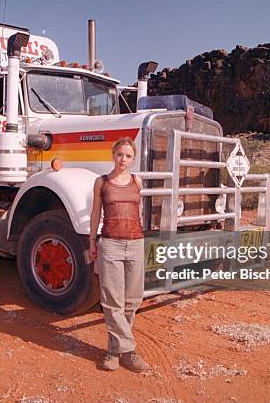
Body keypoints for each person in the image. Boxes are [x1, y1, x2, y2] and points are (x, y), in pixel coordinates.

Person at [89, 137, 149, 372]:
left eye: (128, 156)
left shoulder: (138, 181)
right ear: (113, 154)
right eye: (120, 154)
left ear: (133, 159)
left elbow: (139, 212)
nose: (123, 159)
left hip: (135, 243)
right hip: (111, 244)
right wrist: (92, 240)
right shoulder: (101, 182)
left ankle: (115, 350)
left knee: (132, 300)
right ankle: (128, 350)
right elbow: (95, 213)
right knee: (112, 301)